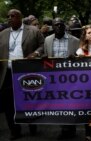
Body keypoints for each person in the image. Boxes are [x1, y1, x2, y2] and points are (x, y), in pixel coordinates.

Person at [0, 9, 44, 140]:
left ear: (20, 18)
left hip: (27, 71)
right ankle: (15, 131)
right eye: (8, 16)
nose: (10, 18)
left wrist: (36, 53)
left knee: (29, 100)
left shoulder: (33, 31)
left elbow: (43, 46)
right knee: (9, 104)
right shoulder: (2, 34)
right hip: (7, 73)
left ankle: (32, 124)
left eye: (13, 16)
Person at [33, 17, 80, 140]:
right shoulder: (47, 40)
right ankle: (66, 128)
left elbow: (81, 58)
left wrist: (76, 57)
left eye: (61, 24)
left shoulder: (75, 40)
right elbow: (45, 54)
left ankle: (69, 129)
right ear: (52, 27)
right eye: (56, 25)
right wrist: (42, 56)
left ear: (64, 26)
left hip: (71, 78)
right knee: (59, 105)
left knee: (70, 104)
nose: (58, 26)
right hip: (54, 79)